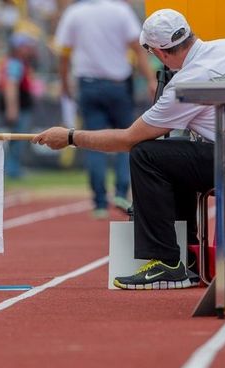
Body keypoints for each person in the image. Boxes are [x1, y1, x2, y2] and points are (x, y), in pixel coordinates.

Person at [33, 8, 225, 290]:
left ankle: (167, 262)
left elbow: (127, 139)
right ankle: (188, 253)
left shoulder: (184, 84)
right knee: (172, 154)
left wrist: (70, 136)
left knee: (147, 155)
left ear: (158, 51)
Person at [55, 0, 156, 218]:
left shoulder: (74, 13)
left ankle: (99, 202)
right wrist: (150, 79)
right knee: (128, 138)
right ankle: (120, 191)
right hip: (118, 84)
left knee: (91, 141)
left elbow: (63, 54)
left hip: (88, 84)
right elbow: (137, 48)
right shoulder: (120, 11)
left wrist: (64, 84)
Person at [0, 32, 37, 178]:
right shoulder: (15, 63)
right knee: (17, 141)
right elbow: (11, 86)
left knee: (15, 141)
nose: (29, 49)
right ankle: (12, 170)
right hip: (19, 108)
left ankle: (12, 169)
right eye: (26, 46)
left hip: (20, 107)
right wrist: (12, 108)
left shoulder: (14, 62)